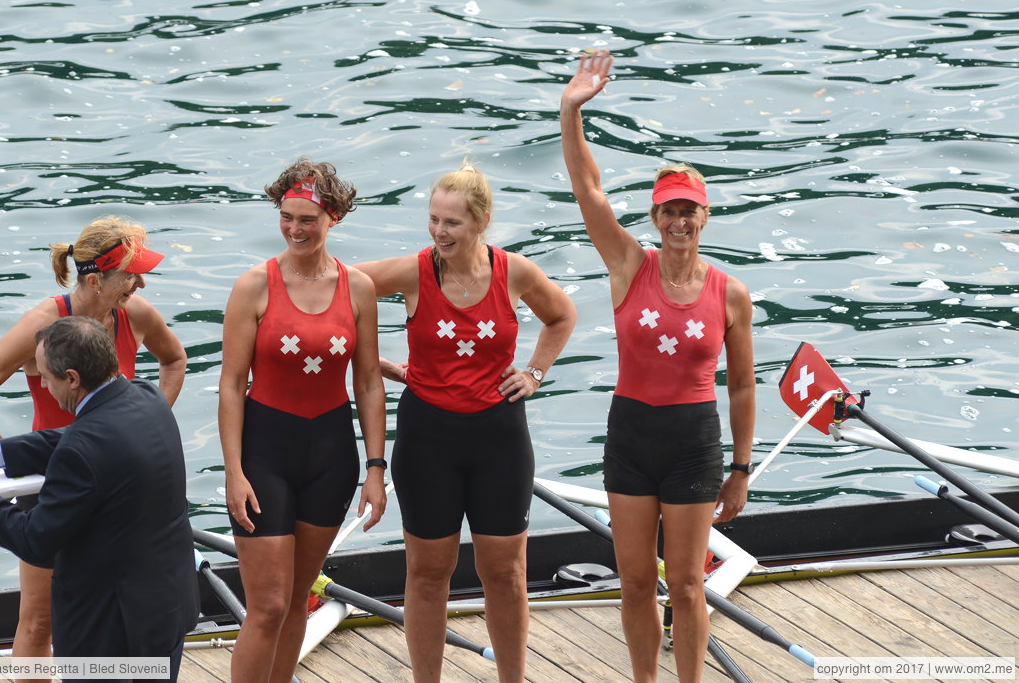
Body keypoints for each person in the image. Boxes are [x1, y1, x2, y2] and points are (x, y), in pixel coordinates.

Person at [559, 49, 756, 683]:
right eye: (667, 209)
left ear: (704, 216)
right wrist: (572, 110)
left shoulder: (729, 293)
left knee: (689, 585)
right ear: (655, 216)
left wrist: (742, 469)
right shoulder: (628, 267)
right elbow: (589, 190)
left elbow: (744, 387)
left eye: (687, 209)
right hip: (632, 435)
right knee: (638, 580)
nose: (677, 220)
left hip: (694, 442)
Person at [355, 161, 577, 683]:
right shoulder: (414, 271)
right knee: (429, 574)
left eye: (451, 223)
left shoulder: (514, 271)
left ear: (481, 222)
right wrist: (374, 363)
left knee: (505, 573)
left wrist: (536, 371)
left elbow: (562, 314)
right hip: (427, 439)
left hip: (498, 439)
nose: (439, 232)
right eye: (433, 220)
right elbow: (337, 288)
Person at [0, 216, 186, 678]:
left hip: (112, 476)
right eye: (130, 276)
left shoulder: (134, 312)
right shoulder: (43, 323)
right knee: (40, 619)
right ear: (95, 280)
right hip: (52, 474)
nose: (139, 284)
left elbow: (174, 361)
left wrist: (140, 427)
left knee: (99, 610)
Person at [218, 158, 388, 683]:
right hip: (263, 453)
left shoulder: (357, 288)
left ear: (333, 217)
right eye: (286, 217)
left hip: (331, 456)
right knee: (266, 606)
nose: (295, 228)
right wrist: (233, 471)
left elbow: (367, 383)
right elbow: (230, 384)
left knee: (296, 600)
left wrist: (376, 468)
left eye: (307, 219)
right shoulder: (254, 286)